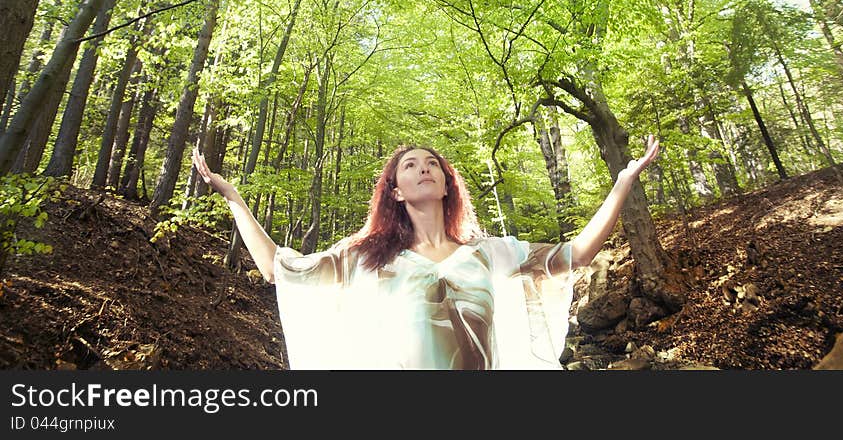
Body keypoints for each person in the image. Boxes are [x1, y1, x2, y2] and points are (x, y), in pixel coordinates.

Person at [191, 135, 660, 369]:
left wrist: (622, 184)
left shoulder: (487, 253)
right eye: (410, 166)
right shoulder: (368, 255)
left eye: (432, 164)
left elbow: (575, 255)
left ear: (446, 184)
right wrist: (235, 199)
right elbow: (277, 268)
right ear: (395, 191)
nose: (423, 169)